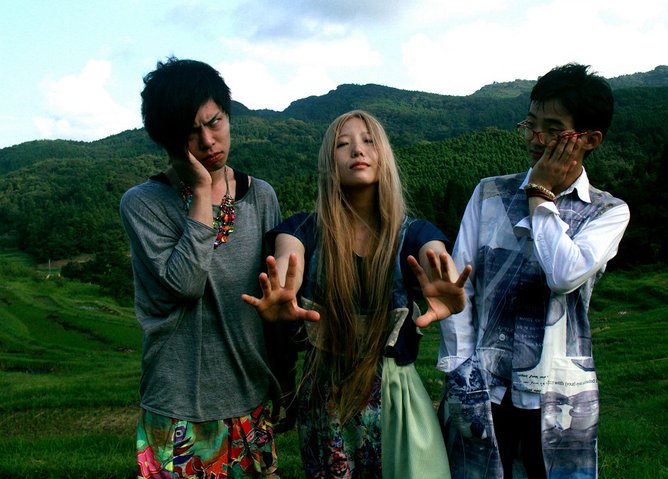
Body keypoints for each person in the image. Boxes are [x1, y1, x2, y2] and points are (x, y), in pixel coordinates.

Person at [242, 110, 472, 478]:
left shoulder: (413, 233)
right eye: (342, 144)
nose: (357, 150)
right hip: (326, 403)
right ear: (328, 162)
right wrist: (285, 286)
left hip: (396, 396)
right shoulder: (303, 229)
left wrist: (441, 278)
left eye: (368, 141)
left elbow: (434, 254)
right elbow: (288, 257)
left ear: (384, 155)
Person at [437, 63, 630, 478]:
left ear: (590, 139)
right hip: (484, 386)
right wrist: (461, 368)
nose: (534, 138)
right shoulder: (489, 193)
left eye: (552, 129)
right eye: (530, 124)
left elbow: (564, 274)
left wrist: (540, 195)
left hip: (560, 393)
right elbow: (459, 287)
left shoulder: (608, 212)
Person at [120, 57, 282, 478]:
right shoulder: (143, 204)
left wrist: (283, 377)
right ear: (168, 140)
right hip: (177, 405)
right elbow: (187, 284)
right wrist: (201, 191)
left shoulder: (261, 197)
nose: (209, 141)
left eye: (215, 122)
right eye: (191, 132)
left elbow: (275, 297)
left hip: (249, 395)